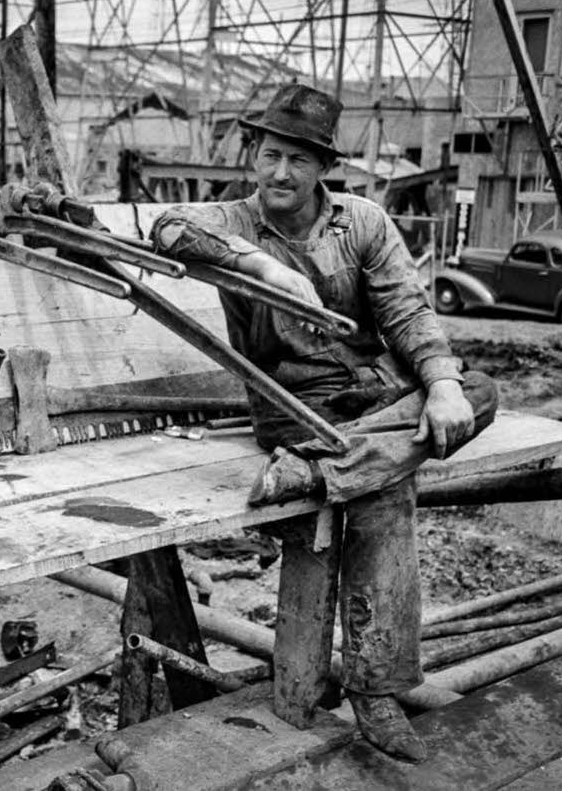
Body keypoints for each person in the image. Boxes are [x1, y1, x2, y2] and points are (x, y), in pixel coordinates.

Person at [150, 83, 498, 763]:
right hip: (292, 408)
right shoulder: (236, 221)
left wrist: (443, 384)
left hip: (369, 407)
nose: (281, 173)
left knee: (478, 389)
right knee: (385, 488)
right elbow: (165, 227)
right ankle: (376, 689)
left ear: (322, 168)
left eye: (298, 160)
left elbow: (406, 311)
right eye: (271, 155)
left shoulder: (362, 222)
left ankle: (321, 471)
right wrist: (259, 268)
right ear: (255, 154)